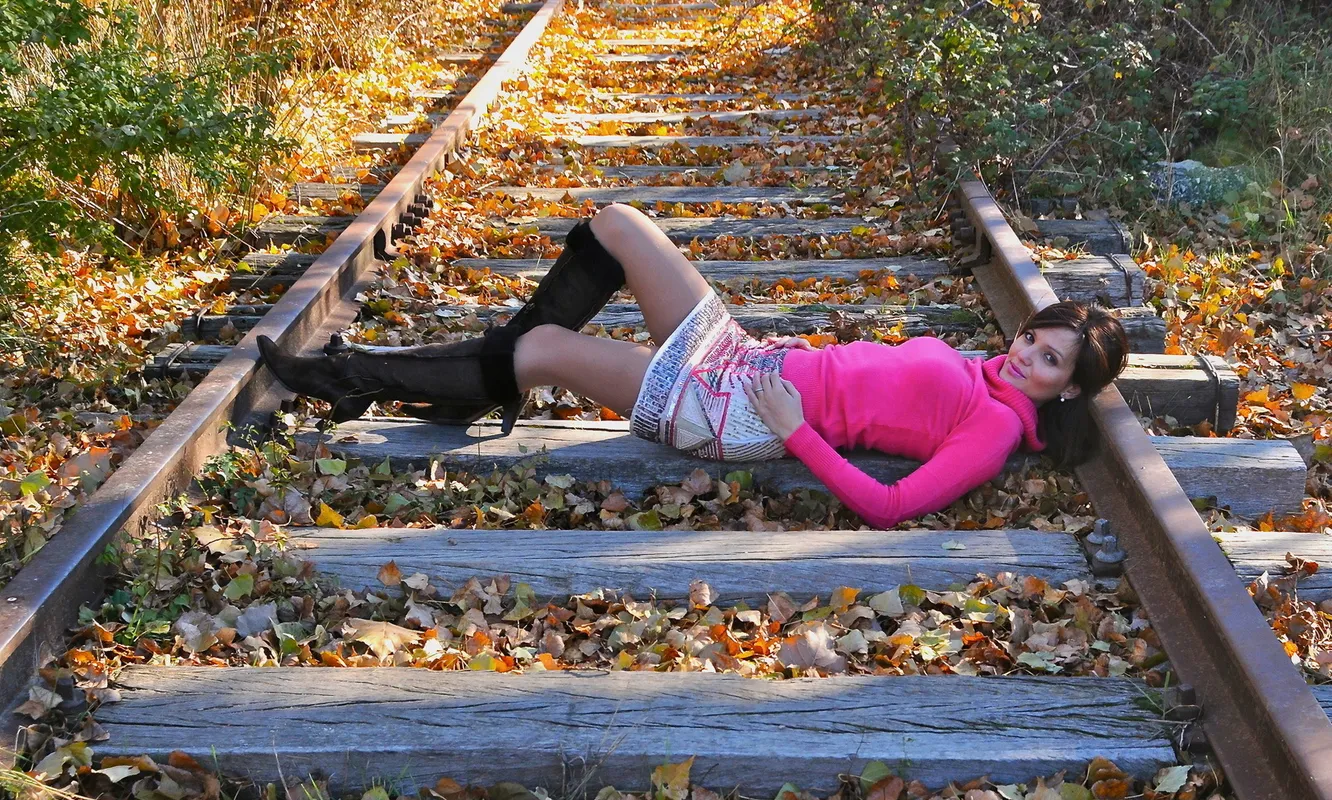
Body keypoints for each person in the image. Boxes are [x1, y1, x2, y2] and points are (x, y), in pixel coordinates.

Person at [259, 203, 1129, 529]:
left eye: (1048, 361)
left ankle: (357, 376)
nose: (1026, 356)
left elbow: (891, 507)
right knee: (618, 222)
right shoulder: (986, 374)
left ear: (1072, 390)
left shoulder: (993, 427)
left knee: (545, 351)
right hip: (748, 361)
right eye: (1033, 339)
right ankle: (477, 384)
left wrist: (795, 434)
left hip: (742, 417)